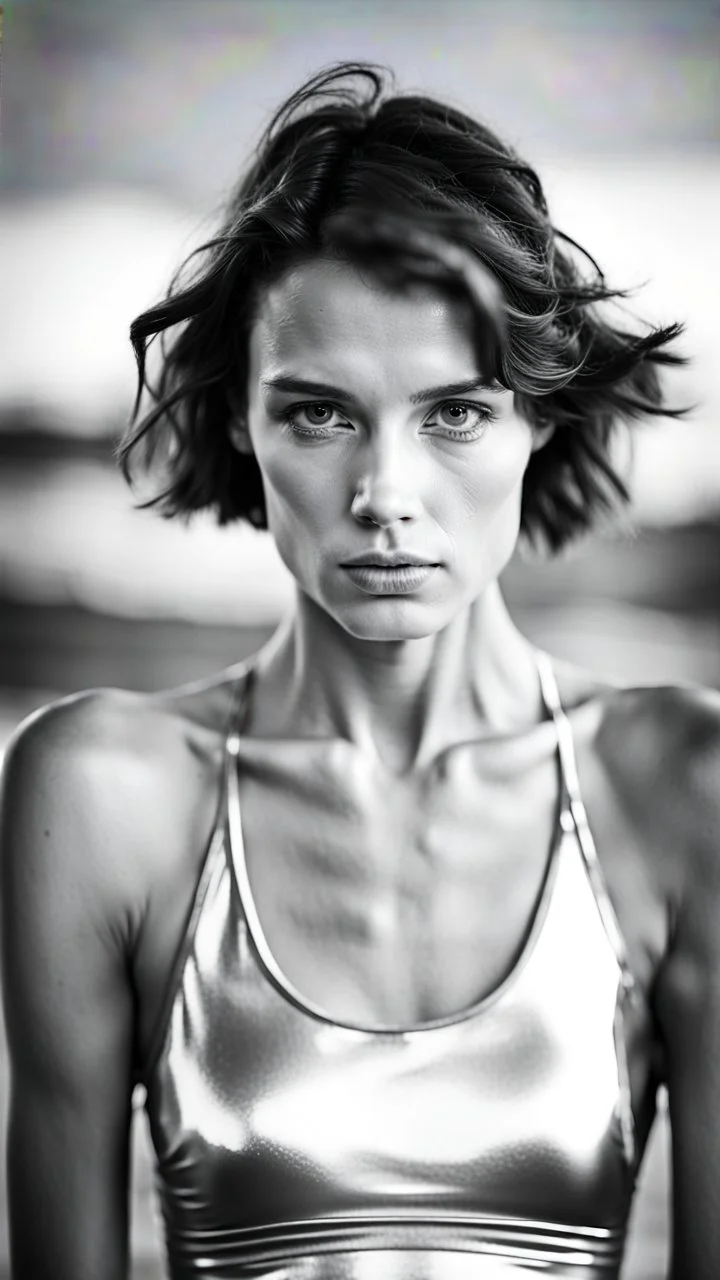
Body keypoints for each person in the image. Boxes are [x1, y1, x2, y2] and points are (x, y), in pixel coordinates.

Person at [1, 60, 718, 1280]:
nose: (386, 497)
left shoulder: (680, 791)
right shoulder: (100, 797)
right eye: (322, 412)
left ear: (538, 414)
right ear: (241, 417)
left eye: (454, 412)